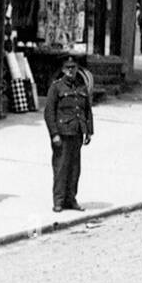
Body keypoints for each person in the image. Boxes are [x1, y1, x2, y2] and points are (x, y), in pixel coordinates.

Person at [44, 54, 93, 213]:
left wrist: (88, 131)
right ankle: (58, 200)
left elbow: (87, 111)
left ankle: (71, 199)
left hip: (77, 132)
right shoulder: (56, 87)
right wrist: (54, 134)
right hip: (62, 134)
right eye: (68, 68)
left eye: (74, 68)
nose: (71, 71)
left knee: (74, 169)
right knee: (61, 168)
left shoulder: (81, 87)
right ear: (63, 69)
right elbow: (49, 113)